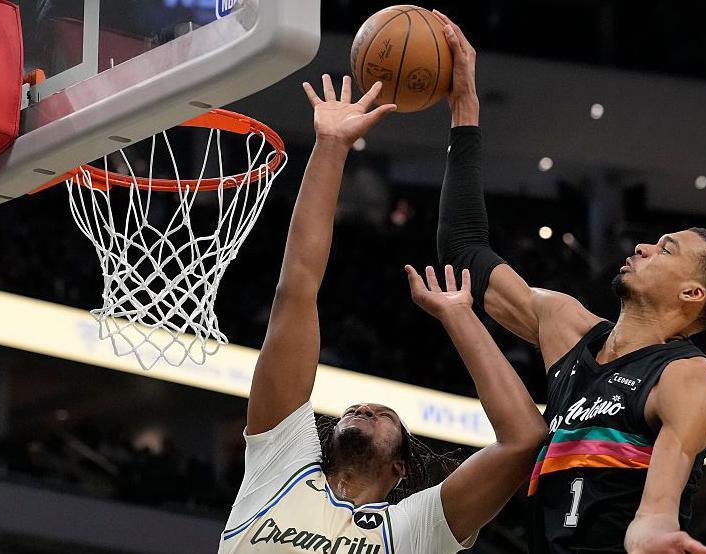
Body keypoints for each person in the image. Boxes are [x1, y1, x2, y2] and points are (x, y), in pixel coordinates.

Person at [430, 10, 706, 554]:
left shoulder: (687, 378)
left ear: (693, 294)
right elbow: (462, 250)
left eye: (666, 248)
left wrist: (651, 532)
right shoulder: (565, 326)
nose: (643, 247)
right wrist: (465, 108)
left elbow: (659, 504)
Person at [219, 75, 547, 553]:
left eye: (385, 415)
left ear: (401, 468)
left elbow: (523, 439)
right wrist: (331, 146)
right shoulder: (279, 463)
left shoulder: (416, 528)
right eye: (367, 410)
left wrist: (460, 315)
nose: (364, 408)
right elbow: (297, 291)